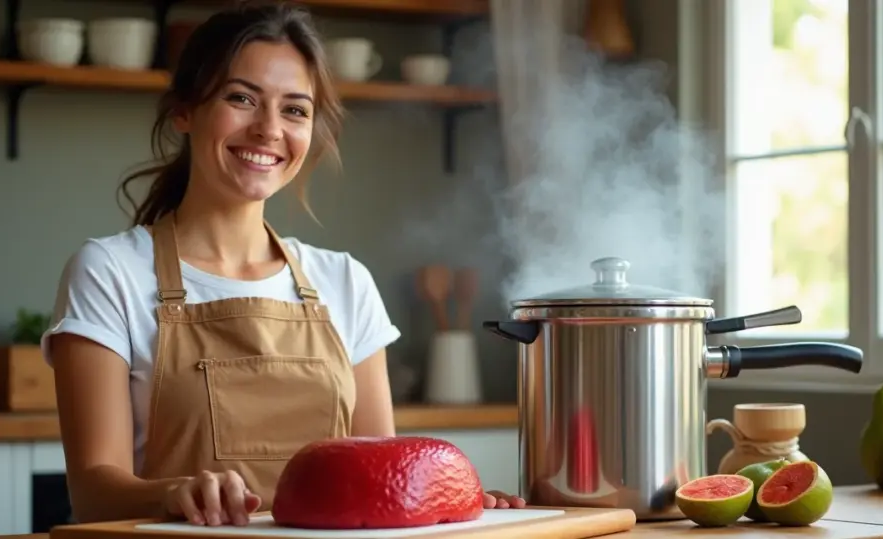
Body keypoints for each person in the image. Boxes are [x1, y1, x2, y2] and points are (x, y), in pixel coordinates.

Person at [42, 0, 525, 528]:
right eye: (242, 98)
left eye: (295, 109)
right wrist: (176, 493)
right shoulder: (110, 271)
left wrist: (456, 502)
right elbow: (93, 493)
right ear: (184, 110)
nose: (269, 128)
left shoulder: (344, 281)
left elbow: (385, 488)